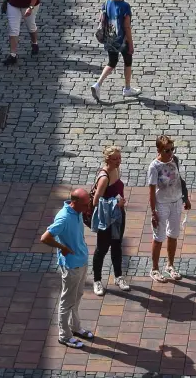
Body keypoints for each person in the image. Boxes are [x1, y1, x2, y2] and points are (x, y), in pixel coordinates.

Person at [40, 188, 93, 348]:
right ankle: (64, 335)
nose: (87, 208)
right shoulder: (63, 218)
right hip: (71, 266)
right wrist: (62, 247)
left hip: (81, 261)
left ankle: (75, 327)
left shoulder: (77, 212)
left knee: (77, 297)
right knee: (67, 301)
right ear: (74, 202)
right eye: (85, 205)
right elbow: (45, 237)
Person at [146, 135, 191, 282]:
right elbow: (151, 192)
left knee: (173, 235)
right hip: (162, 204)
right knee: (159, 237)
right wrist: (153, 212)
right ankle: (154, 269)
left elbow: (180, 181)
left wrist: (186, 198)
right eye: (167, 150)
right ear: (159, 150)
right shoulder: (154, 167)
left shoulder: (174, 160)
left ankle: (170, 265)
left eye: (172, 149)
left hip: (176, 202)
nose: (170, 153)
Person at [92, 0, 140, 101]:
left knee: (112, 62)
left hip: (110, 38)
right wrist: (131, 44)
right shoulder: (125, 6)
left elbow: (102, 17)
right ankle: (127, 88)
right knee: (128, 60)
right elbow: (127, 27)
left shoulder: (107, 2)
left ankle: (97, 84)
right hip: (121, 39)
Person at [90, 146, 129, 295]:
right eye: (115, 159)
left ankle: (118, 276)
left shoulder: (116, 170)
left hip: (118, 215)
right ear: (108, 159)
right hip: (106, 218)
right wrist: (115, 202)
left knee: (117, 245)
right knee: (102, 249)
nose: (118, 161)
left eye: (119, 158)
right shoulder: (104, 177)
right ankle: (97, 280)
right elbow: (96, 201)